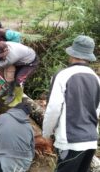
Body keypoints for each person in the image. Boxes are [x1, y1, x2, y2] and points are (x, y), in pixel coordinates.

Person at [42, 35, 100, 172]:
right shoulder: (96, 78)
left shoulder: (63, 75)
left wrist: (47, 134)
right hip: (91, 140)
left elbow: (53, 109)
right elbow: (97, 110)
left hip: (70, 141)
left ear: (71, 54)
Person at [0, 102, 35, 172]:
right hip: (23, 167)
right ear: (27, 115)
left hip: (2, 166)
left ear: (15, 109)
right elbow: (32, 152)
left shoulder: (3, 117)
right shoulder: (30, 128)